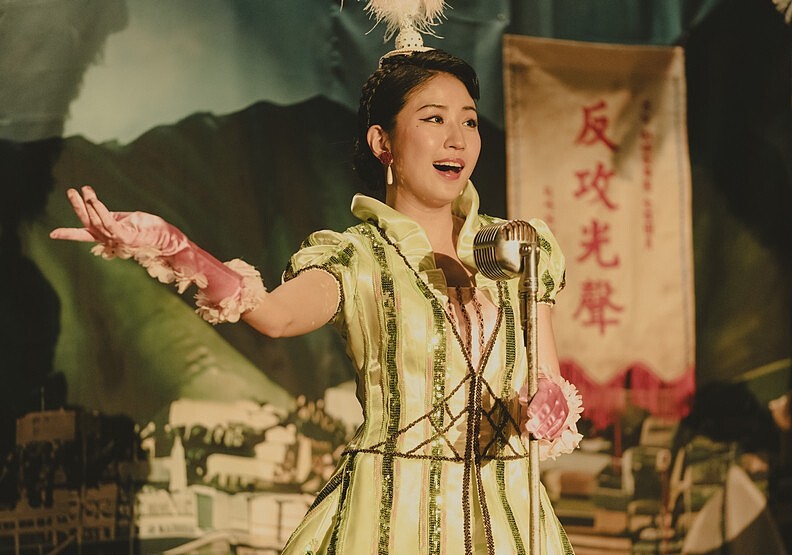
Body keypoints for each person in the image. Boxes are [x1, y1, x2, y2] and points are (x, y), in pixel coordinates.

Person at [51, 47, 582, 554]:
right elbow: (274, 316)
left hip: (510, 519)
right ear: (382, 142)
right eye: (433, 119)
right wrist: (176, 248)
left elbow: (549, 384)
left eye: (468, 121)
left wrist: (549, 410)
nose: (457, 140)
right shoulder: (356, 258)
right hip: (394, 517)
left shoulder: (518, 247)